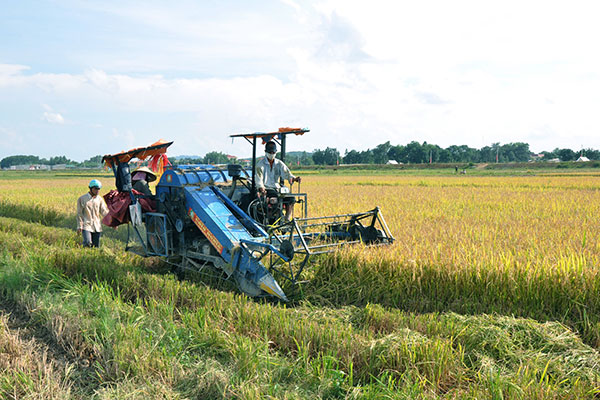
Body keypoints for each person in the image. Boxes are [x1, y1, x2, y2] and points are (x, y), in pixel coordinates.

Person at [255, 141, 301, 221]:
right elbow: (259, 179)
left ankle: (287, 219)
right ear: (265, 152)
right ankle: (270, 218)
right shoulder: (260, 165)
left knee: (291, 199)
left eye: (273, 152)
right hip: (267, 189)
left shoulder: (279, 163)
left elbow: (286, 173)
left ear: (276, 152)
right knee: (274, 198)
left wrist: (294, 178)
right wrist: (261, 188)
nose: (271, 154)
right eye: (270, 152)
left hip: (277, 188)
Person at [77, 179, 109, 248]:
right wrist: (80, 226)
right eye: (95, 189)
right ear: (91, 188)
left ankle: (92, 257)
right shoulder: (82, 199)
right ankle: (83, 255)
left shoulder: (99, 199)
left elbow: (104, 211)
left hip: (97, 226)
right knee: (87, 242)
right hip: (86, 225)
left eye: (98, 189)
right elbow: (79, 214)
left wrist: (111, 221)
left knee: (96, 246)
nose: (97, 191)